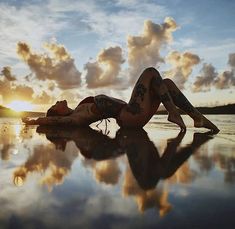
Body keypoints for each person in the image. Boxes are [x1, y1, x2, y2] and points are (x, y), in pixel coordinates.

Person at [22, 67, 219, 133]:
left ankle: (197, 117)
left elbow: (55, 118)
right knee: (151, 71)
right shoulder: (75, 118)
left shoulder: (80, 109)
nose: (60, 100)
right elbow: (53, 121)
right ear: (59, 112)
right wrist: (33, 121)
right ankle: (173, 113)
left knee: (165, 82)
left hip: (132, 112)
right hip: (129, 116)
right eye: (56, 104)